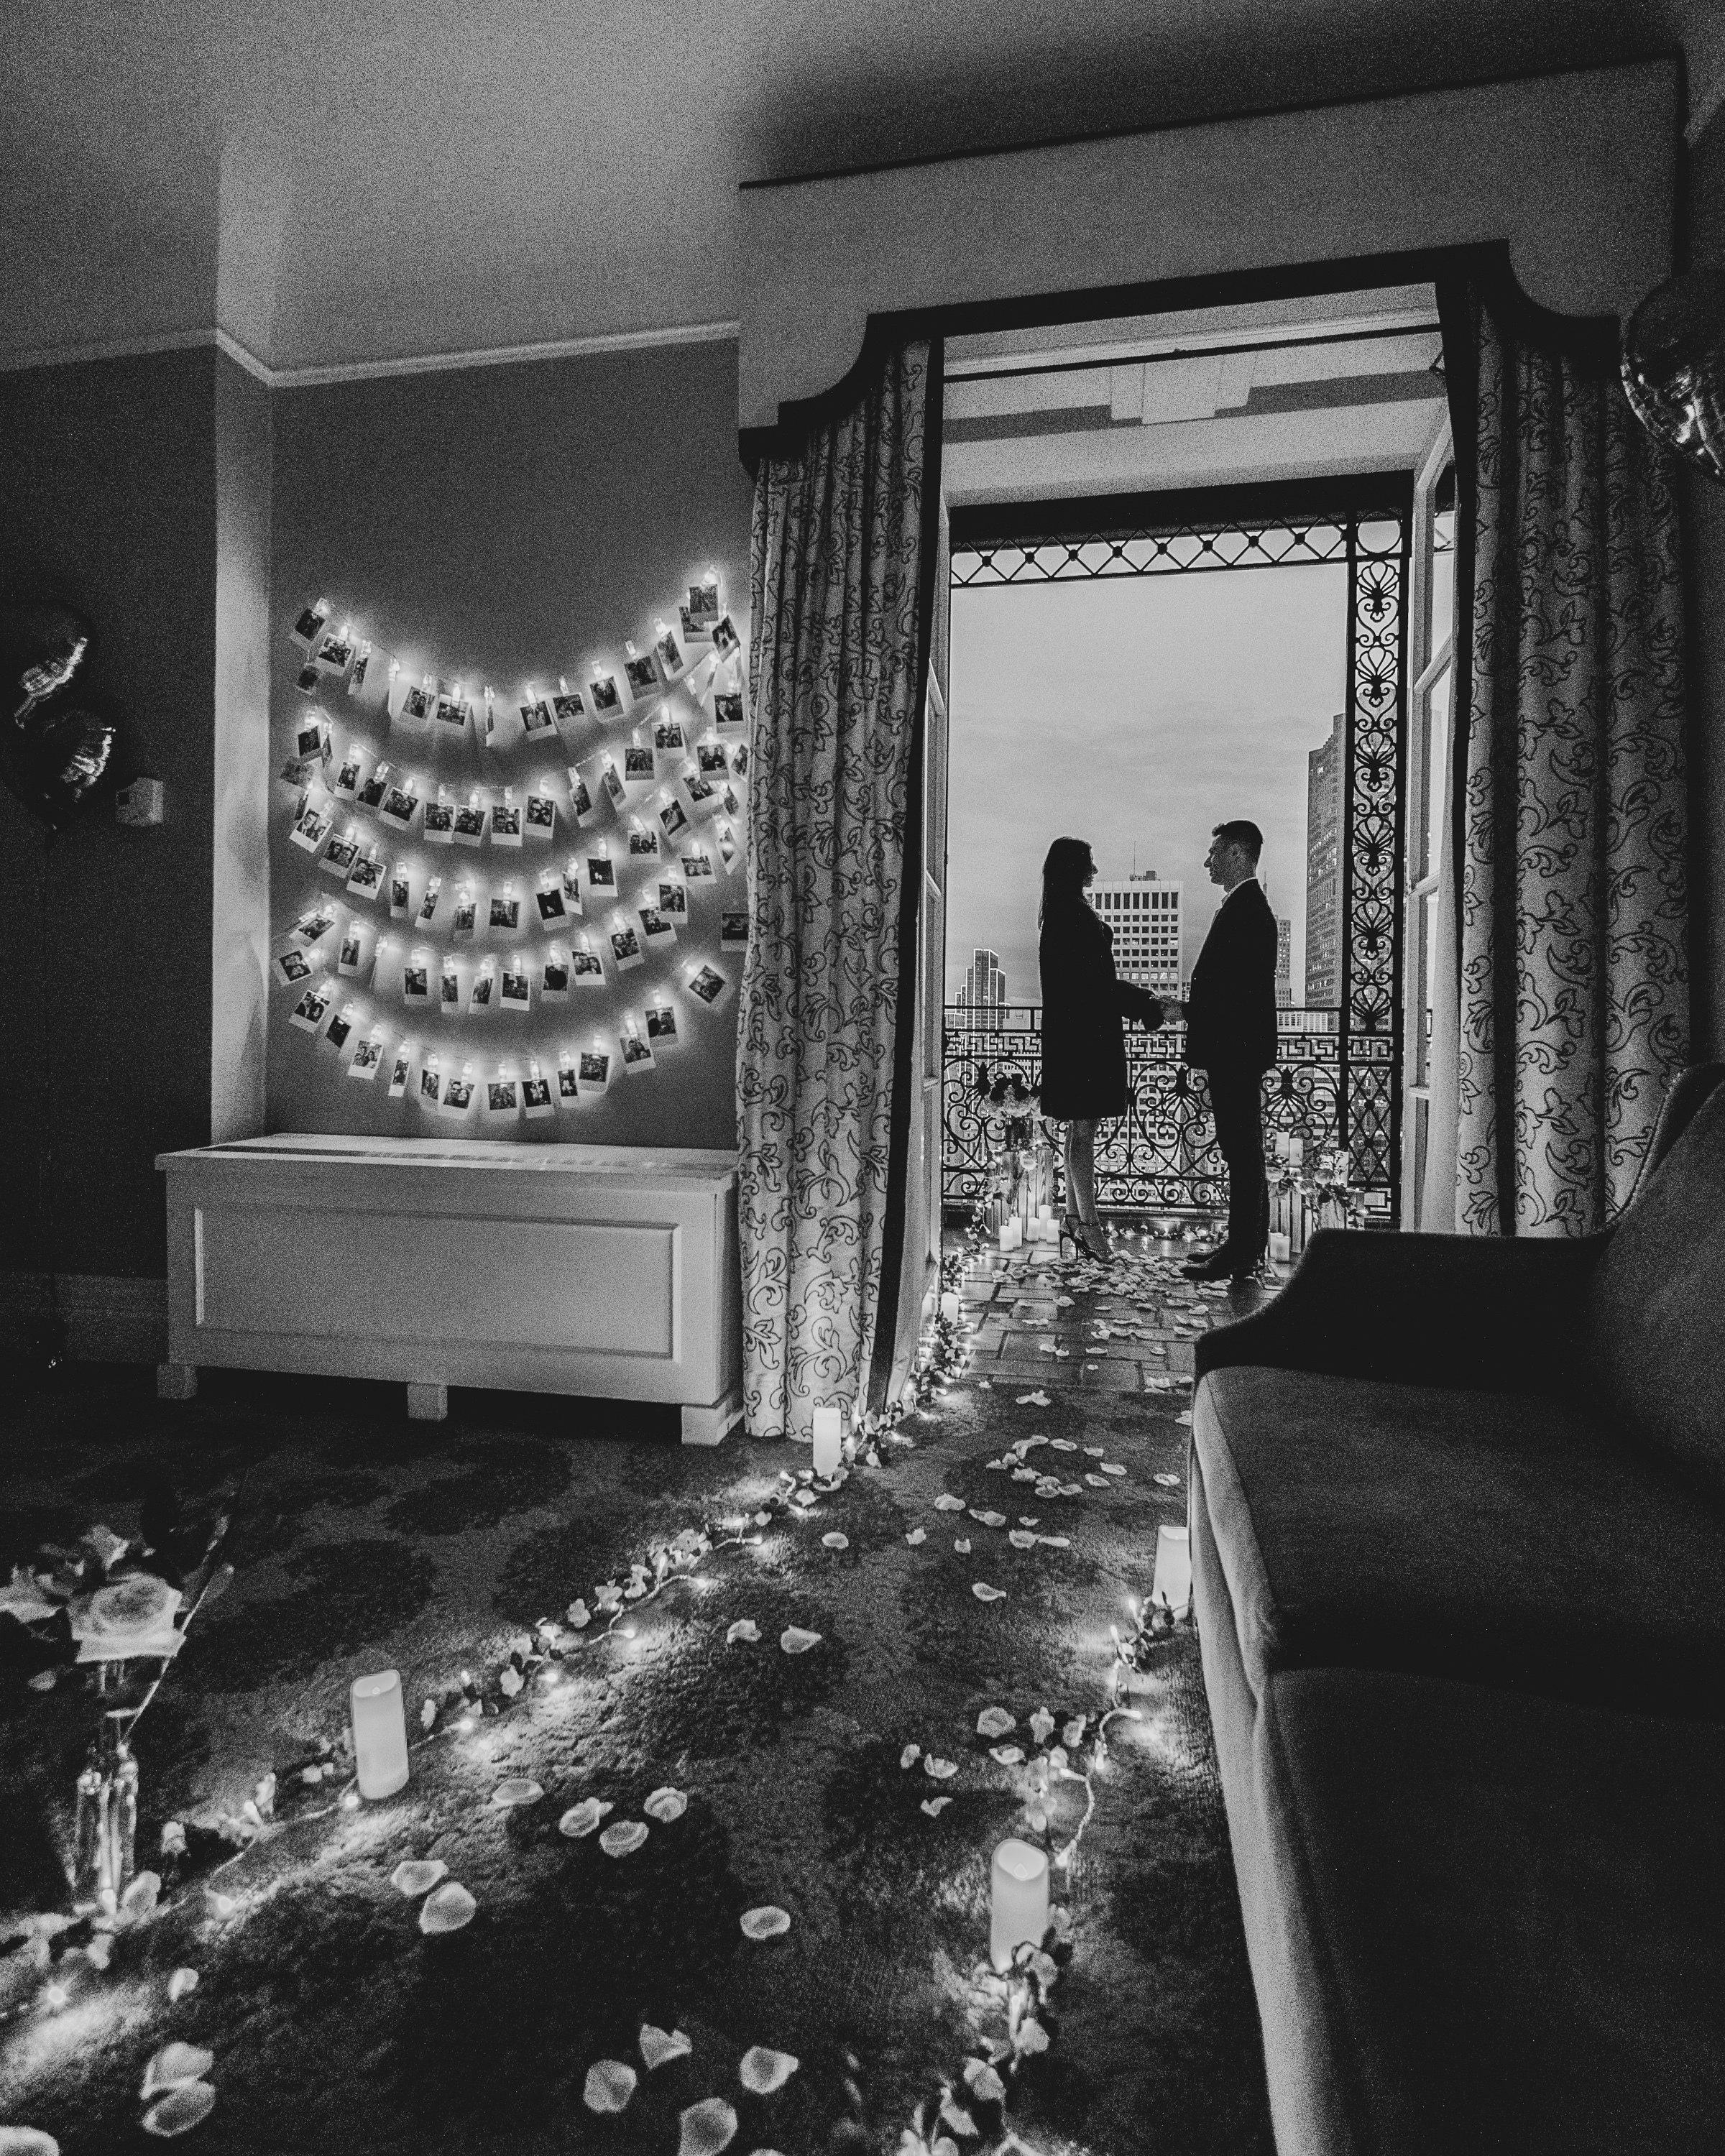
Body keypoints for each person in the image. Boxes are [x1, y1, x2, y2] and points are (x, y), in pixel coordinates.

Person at [1038, 837, 1164, 1261]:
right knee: (1084, 1131)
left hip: (1073, 1037)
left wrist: (1141, 1001)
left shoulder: (1060, 912)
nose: (1094, 870)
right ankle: (1089, 1228)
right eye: (1088, 863)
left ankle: (1075, 1221)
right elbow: (1095, 986)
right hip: (1084, 1038)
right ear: (1074, 868)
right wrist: (1145, 1003)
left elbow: (1088, 984)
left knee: (1078, 1129)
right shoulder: (1071, 915)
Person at [1167, 820, 1279, 1281]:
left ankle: (1242, 1251)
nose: (1207, 861)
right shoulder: (1243, 906)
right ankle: (1245, 1244)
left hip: (1236, 1050)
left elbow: (1236, 995)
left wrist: (1187, 1011)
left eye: (1214, 852)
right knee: (1241, 1149)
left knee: (1242, 1151)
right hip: (1236, 1048)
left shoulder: (1248, 910)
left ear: (1237, 853)